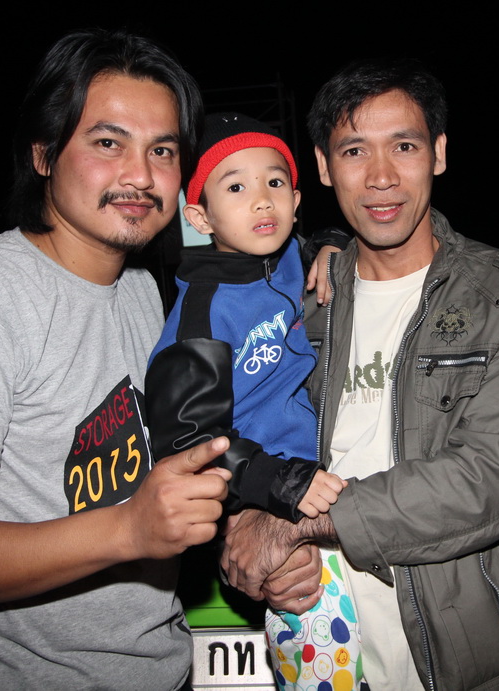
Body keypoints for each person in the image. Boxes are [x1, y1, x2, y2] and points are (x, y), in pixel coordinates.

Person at [0, 30, 231, 690]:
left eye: (161, 150)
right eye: (108, 143)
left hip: (163, 669)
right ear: (43, 153)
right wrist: (127, 529)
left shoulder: (139, 289)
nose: (140, 174)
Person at [222, 58, 499, 691]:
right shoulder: (297, 307)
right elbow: (238, 436)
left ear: (438, 153)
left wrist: (298, 522)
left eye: (404, 146)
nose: (381, 176)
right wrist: (245, 533)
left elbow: (487, 481)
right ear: (323, 167)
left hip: (471, 664)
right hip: (324, 650)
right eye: (355, 151)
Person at [144, 113, 362, 690]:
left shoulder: (288, 255)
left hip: (319, 476)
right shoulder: (201, 314)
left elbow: (324, 240)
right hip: (267, 498)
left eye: (274, 183)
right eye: (236, 187)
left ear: (295, 201)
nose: (261, 200)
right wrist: (276, 484)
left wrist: (334, 243)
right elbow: (187, 440)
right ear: (200, 217)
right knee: (326, 657)